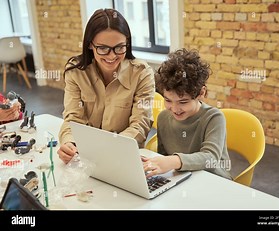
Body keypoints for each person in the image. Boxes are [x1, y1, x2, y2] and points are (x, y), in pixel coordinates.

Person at [57, 9, 155, 164]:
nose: (112, 56)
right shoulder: (76, 71)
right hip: (84, 156)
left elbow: (140, 124)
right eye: (103, 48)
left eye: (119, 47)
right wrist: (69, 142)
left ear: (127, 43)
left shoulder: (142, 73)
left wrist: (110, 148)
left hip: (122, 155)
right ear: (90, 45)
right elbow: (73, 118)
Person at [143, 48, 232, 180]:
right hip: (181, 178)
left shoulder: (213, 118)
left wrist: (173, 161)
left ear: (201, 93)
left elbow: (210, 157)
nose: (174, 109)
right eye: (168, 100)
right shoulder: (163, 118)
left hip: (214, 180)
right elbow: (164, 156)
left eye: (183, 102)